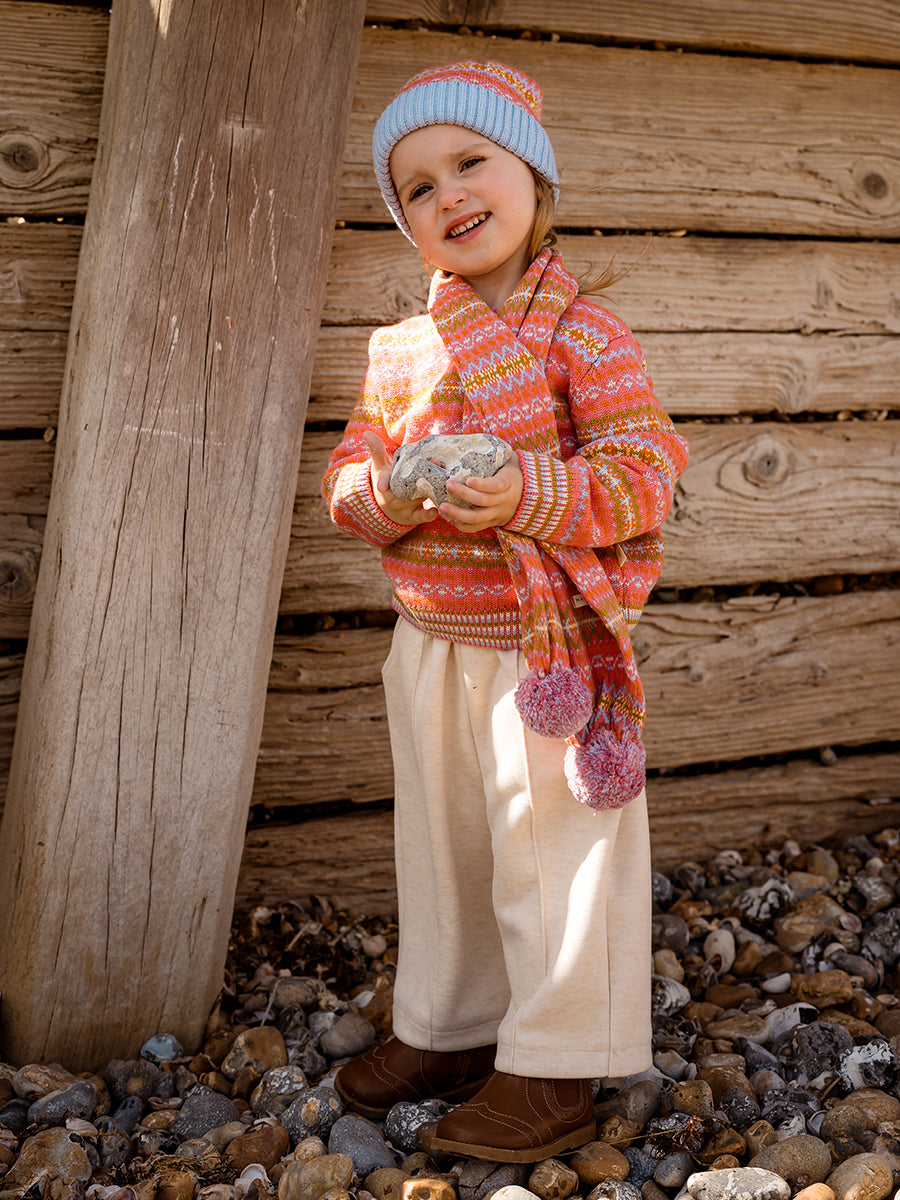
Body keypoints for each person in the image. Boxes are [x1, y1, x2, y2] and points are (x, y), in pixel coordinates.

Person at [322, 60, 689, 1163]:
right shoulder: (400, 351)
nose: (450, 194)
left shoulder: (586, 336)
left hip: (547, 652)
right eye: (418, 186)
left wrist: (529, 492)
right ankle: (451, 1028)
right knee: (443, 852)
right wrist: (390, 495)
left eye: (470, 161)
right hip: (430, 641)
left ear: (533, 173)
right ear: (406, 222)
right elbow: (348, 481)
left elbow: (642, 478)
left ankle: (557, 1064)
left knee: (554, 858)